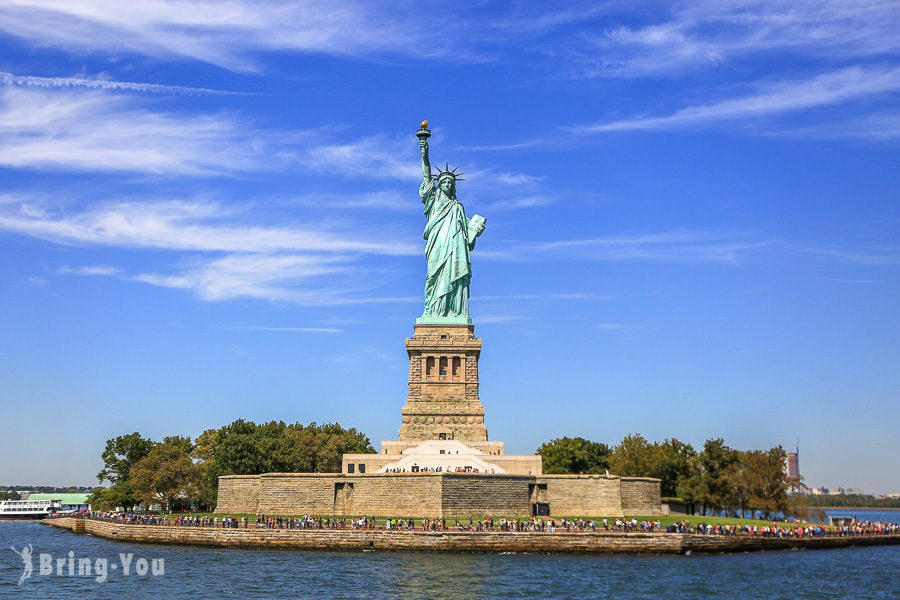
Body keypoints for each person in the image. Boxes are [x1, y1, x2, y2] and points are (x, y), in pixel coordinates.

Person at [418, 128, 485, 319]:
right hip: (438, 244)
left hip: (455, 249)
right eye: (444, 181)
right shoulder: (434, 199)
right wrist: (424, 153)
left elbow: (467, 235)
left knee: (454, 276)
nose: (447, 184)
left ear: (454, 187)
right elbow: (426, 175)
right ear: (438, 185)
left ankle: (454, 311)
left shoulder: (458, 207)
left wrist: (475, 230)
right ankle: (433, 311)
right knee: (434, 276)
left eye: (450, 182)